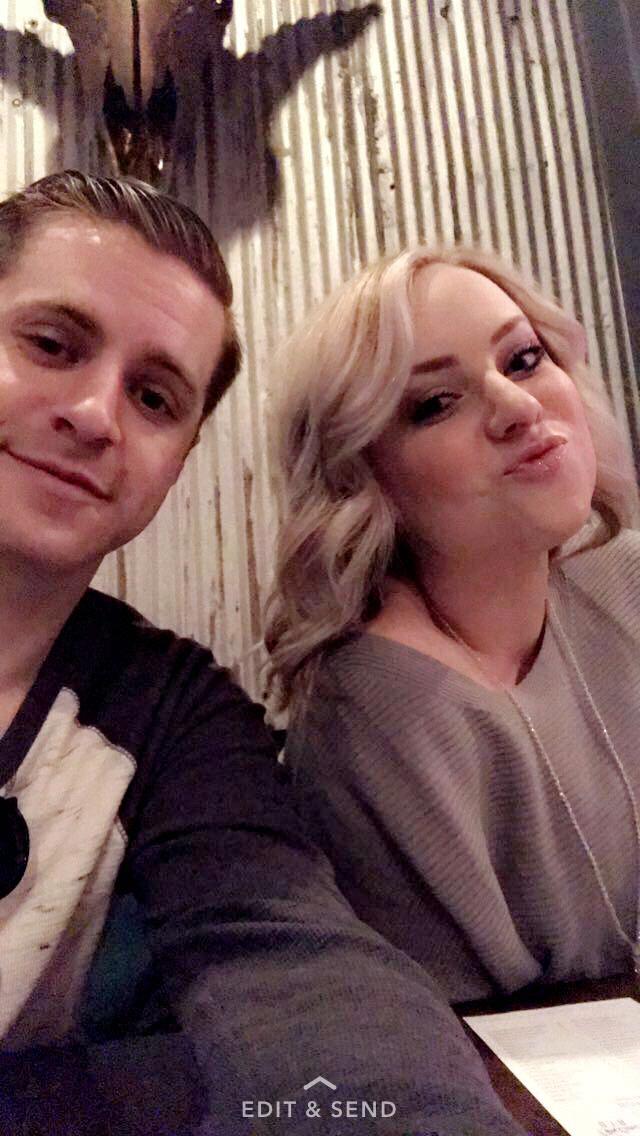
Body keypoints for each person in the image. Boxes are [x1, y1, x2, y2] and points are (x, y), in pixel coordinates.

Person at [0, 174, 526, 1136]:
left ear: (179, 459)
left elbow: (290, 964)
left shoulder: (173, 714)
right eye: (51, 345)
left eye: (154, 397)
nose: (96, 414)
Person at [265, 245, 640, 1007]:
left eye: (524, 359)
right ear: (364, 477)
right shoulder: (374, 712)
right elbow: (469, 1036)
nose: (518, 406)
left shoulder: (624, 579)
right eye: (436, 403)